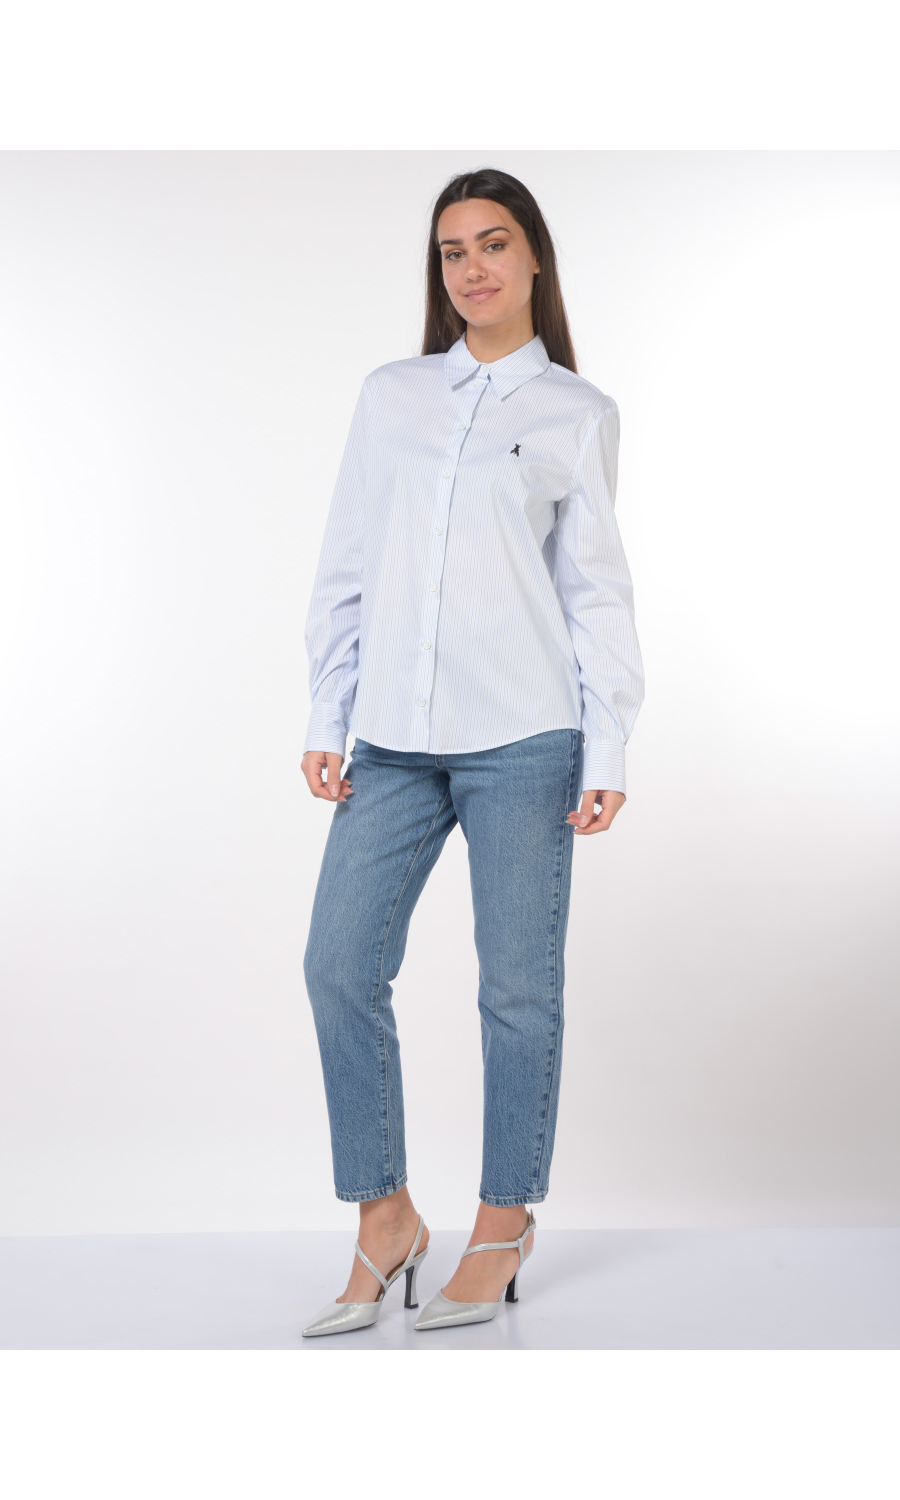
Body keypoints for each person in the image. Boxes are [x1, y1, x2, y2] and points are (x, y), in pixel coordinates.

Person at [299, 167, 644, 1336]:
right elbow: (348, 560)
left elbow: (594, 592)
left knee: (517, 988)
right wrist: (327, 713)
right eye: (453, 251)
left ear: (534, 257)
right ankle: (385, 1215)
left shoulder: (577, 412)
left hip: (525, 736)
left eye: (494, 244)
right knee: (338, 964)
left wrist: (608, 743)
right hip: (392, 741)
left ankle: (503, 1223)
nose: (474, 268)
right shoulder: (391, 396)